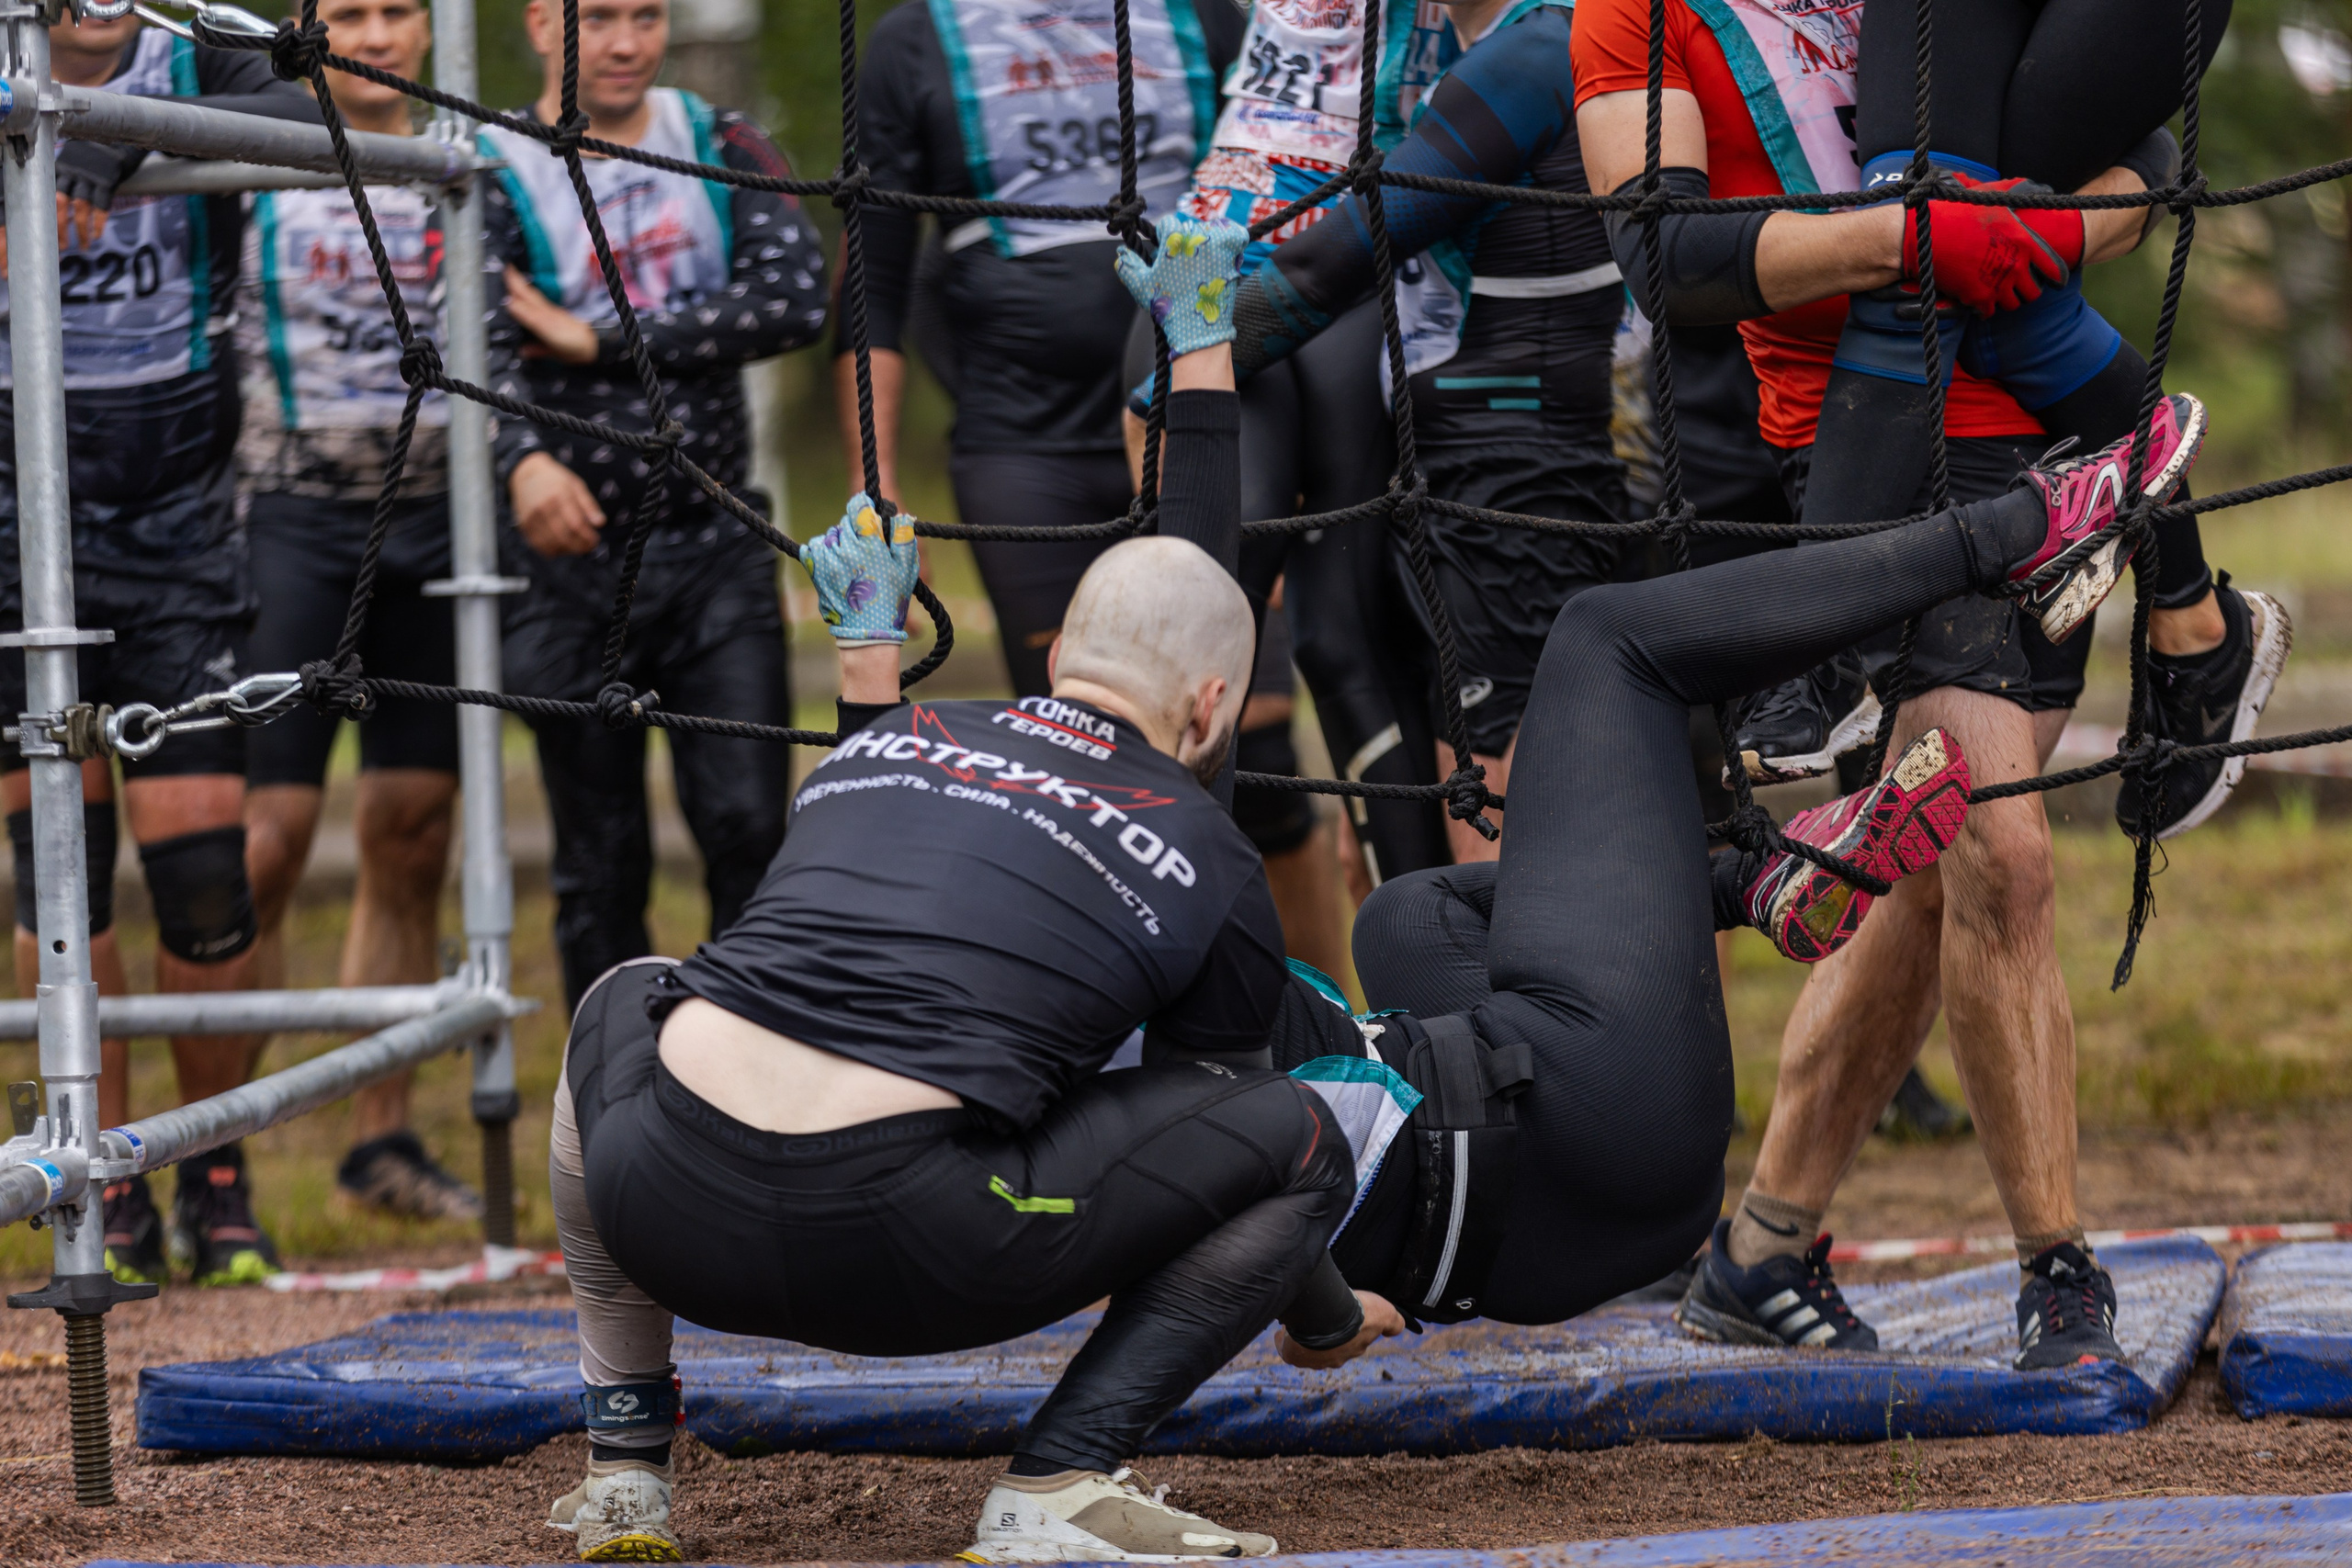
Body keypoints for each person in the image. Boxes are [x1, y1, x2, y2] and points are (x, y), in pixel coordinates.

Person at [545, 217, 1376, 1563]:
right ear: (1214, 701)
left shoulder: (900, 743)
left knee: (625, 992)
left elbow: (858, 837)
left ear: (1053, 653)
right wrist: (1327, 1313)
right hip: (903, 1247)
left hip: (663, 1194)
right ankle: (1057, 1479)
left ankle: (627, 1466)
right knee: (1303, 1128)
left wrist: (867, 645)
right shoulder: (1205, 845)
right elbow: (1221, 1130)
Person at [1269, 392, 2208, 1373]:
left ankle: (1753, 918)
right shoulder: (1164, 986)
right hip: (1599, 1129)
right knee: (1605, 643)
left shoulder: (1130, 1131)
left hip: (1517, 1247)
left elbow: (1284, 1288)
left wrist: (1320, 1303)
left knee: (1398, 916)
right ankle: (2026, 530)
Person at [1566, 0, 2208, 1362]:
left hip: (2059, 427)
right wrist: (1925, 237)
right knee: (2001, 851)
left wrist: (2045, 234)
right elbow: (1667, 259)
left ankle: (1761, 1248)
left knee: (1915, 870)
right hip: (1881, 470)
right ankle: (2061, 1271)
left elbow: (2134, 143)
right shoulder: (1634, 13)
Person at [0, 10, 322, 1286]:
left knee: (201, 878)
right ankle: (102, 1175)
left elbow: (320, 120)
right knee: (55, 879)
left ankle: (213, 1169)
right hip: (19, 517)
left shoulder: (200, 56)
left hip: (178, 515)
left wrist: (111, 144)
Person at [1203, 0, 1632, 864]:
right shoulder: (1473, 55)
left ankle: (1523, 997)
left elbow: (1328, 263)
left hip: (1518, 485)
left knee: (1507, 831)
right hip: (1462, 477)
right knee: (1458, 792)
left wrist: (1176, 367)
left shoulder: (1531, 52)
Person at [481, 0, 829, 1013]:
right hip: (567, 562)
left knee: (749, 830)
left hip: (715, 538)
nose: (627, 41)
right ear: (543, 22)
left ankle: (748, 1069)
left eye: (646, 15)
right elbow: (468, 329)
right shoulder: (490, 161)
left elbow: (794, 296)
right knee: (599, 860)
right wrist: (520, 462)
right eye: (599, 17)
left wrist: (598, 343)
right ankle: (610, 1093)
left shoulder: (720, 141)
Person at [234, 0, 481, 1224]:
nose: (377, 35)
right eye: (351, 14)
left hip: (440, 520)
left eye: (399, 12)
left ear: (432, 32)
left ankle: (378, 1138)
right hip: (287, 514)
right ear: (305, 29)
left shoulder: (463, 160)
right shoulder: (251, 153)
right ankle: (209, 1164)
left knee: (413, 827)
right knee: (265, 840)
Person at [842, 0, 1244, 699]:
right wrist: (874, 485)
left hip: (1193, 422)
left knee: (1242, 727)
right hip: (1024, 449)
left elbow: (1283, 210)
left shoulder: (1201, 14)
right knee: (1073, 721)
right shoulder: (914, 38)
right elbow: (871, 286)